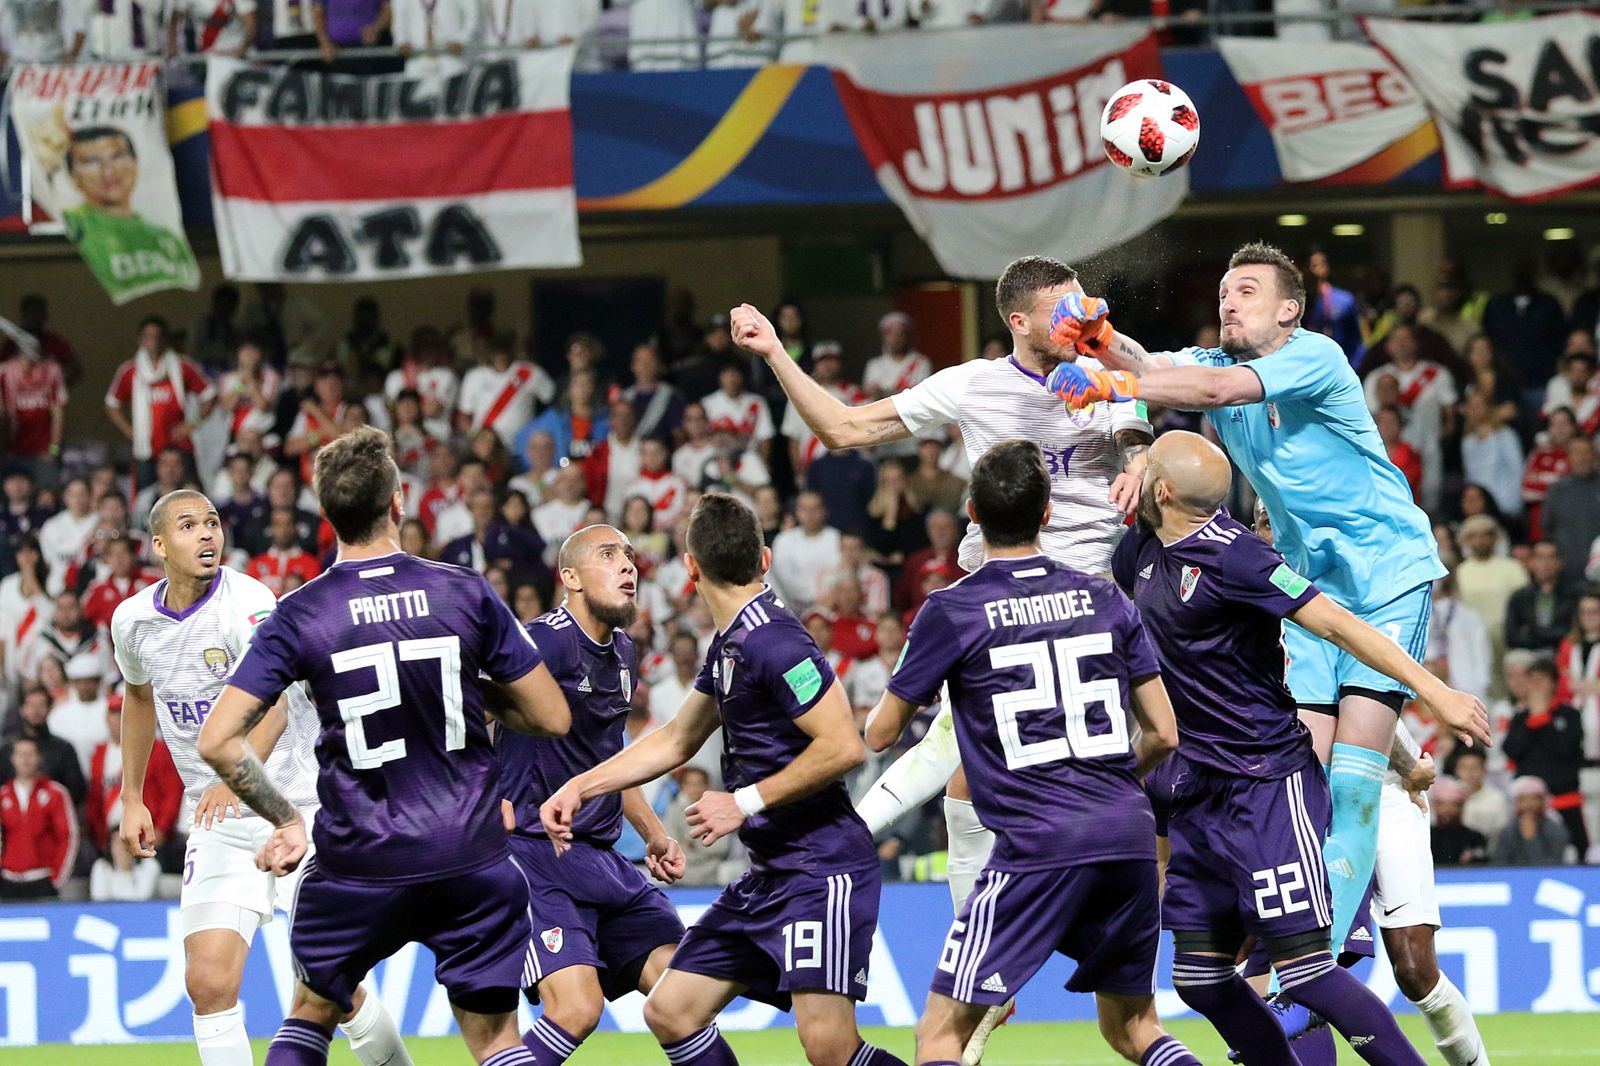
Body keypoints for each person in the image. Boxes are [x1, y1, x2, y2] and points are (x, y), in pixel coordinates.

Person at [733, 256, 1155, 1054]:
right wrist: (775, 355)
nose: (1082, 318)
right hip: (1007, 611)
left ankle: (850, 856)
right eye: (1064, 309)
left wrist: (1138, 443)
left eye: (1085, 306)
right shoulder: (971, 385)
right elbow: (847, 428)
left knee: (954, 756)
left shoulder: (1108, 373)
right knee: (959, 764)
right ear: (1020, 322)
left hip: (1086, 614)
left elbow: (1149, 446)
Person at [1049, 241, 1487, 957]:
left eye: (1246, 290)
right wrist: (1101, 338)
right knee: (1300, 780)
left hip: (1385, 575)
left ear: (1289, 309)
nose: (1229, 301)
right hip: (1309, 585)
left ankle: (1317, 960)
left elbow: (1201, 394)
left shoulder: (1314, 358)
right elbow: (1155, 366)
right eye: (1224, 290)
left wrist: (1110, 386)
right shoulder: (1219, 365)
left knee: (1353, 783)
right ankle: (1315, 939)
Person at [197, 425, 571, 1066]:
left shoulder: (301, 613)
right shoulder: (466, 591)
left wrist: (285, 820)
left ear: (326, 513)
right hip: (471, 856)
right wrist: (456, 687)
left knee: (311, 1013)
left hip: (357, 863)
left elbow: (217, 740)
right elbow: (553, 715)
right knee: (498, 1041)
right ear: (399, 503)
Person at [1116, 431, 1485, 1066]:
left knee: (1306, 971)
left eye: (1144, 469)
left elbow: (1340, 624)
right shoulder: (1142, 551)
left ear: (1164, 489)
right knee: (1200, 980)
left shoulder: (1238, 558)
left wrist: (1435, 691)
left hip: (1265, 786)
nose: (1132, 477)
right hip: (1196, 790)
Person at [538, 492, 904, 1066]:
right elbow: (676, 739)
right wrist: (581, 787)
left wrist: (745, 800)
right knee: (669, 1010)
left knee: (830, 1048)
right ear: (763, 558)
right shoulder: (730, 643)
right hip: (770, 876)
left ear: (690, 568)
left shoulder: (775, 640)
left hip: (820, 869)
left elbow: (843, 744)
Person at [864, 439, 1197, 1066]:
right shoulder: (1108, 599)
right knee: (1134, 1030)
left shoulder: (950, 609)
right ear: (1047, 513)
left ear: (971, 513)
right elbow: (1164, 734)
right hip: (1127, 834)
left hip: (1036, 843)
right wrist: (1109, 782)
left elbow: (881, 734)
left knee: (940, 1034)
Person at [113, 486, 410, 1066]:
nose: (206, 534)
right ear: (159, 545)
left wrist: (235, 771)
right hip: (217, 815)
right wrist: (131, 795)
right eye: (188, 525)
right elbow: (138, 696)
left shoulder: (247, 601)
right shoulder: (133, 621)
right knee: (208, 983)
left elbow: (274, 702)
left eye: (213, 522)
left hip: (296, 806)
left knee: (330, 982)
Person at [497, 524, 688, 1065]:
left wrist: (653, 833)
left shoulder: (624, 653)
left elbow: (612, 763)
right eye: (609, 556)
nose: (628, 565)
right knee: (577, 1009)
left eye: (629, 555)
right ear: (570, 578)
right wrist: (479, 790)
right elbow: (466, 705)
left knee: (685, 999)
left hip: (603, 859)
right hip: (535, 854)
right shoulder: (546, 641)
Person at [56, 127, 200, 300]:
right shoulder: (75, 222)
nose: (108, 171)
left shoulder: (167, 238)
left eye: (116, 156)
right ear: (73, 176)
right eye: (92, 161)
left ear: (135, 163)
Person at [106, 317, 216, 486]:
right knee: (148, 499)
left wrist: (193, 423)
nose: (153, 341)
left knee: (190, 497)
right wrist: (129, 430)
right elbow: (112, 404)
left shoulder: (182, 366)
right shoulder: (130, 371)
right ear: (140, 340)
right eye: (148, 336)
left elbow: (209, 395)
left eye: (157, 336)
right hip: (147, 450)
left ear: (165, 339)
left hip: (179, 448)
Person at [1502, 658, 1588, 859]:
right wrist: (1534, 718)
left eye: (1541, 680)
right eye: (1531, 680)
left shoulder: (1570, 715)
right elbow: (1511, 749)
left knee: (1577, 854)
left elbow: (1565, 749)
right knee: (1524, 854)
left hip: (1565, 800)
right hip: (1528, 806)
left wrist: (1542, 718)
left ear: (1554, 684)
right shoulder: (1520, 718)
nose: (1536, 685)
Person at [0, 737, 77, 901]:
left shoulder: (55, 793)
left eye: (30, 754)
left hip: (42, 879)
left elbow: (68, 836)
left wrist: (57, 879)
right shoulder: (3, 794)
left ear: (39, 757)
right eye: (21, 754)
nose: (25, 759)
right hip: (8, 880)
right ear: (13, 758)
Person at [0, 330, 67, 488]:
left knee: (47, 495)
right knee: (14, 497)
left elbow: (58, 412)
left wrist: (54, 448)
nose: (29, 361)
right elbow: (2, 413)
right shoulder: (4, 372)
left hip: (44, 452)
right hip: (14, 450)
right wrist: (4, 449)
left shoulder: (51, 370)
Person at [661, 767, 731, 885]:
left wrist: (692, 843)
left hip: (712, 875)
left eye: (699, 784)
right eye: (690, 784)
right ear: (682, 786)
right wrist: (703, 844)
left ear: (707, 786)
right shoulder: (673, 811)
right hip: (681, 877)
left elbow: (722, 847)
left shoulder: (718, 812)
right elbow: (668, 847)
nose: (695, 788)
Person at [1506, 541, 1578, 653]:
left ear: (1559, 562)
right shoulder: (1519, 597)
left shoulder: (1573, 595)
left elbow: (1572, 632)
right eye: (1540, 558)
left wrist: (1533, 632)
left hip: (1562, 651)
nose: (1546, 564)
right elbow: (1511, 637)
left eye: (1551, 557)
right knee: (1516, 661)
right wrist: (1549, 635)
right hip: (1529, 651)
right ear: (1531, 562)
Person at [1490, 777, 1572, 866]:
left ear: (1543, 801)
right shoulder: (1507, 831)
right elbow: (1498, 865)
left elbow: (1550, 868)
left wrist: (1531, 839)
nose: (1528, 805)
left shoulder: (1556, 831)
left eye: (1534, 799)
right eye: (1523, 800)